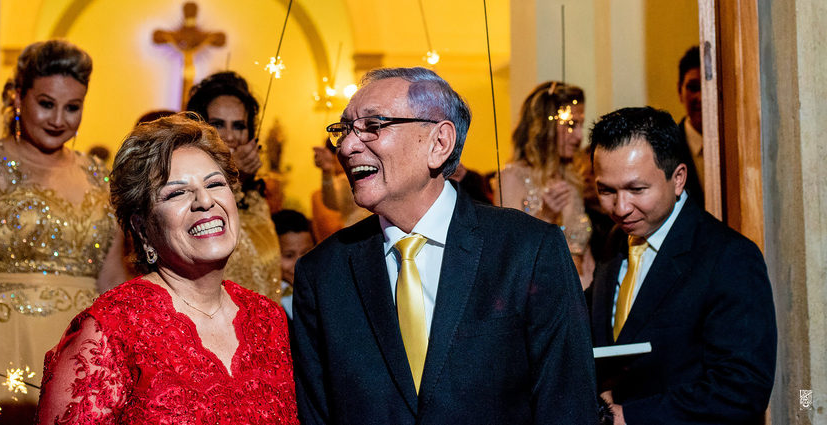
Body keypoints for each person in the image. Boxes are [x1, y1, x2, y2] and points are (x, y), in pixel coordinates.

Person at [292, 67, 599, 425]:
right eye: (343, 131)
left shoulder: (527, 250)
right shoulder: (323, 273)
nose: (347, 146)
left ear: (440, 143)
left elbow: (567, 406)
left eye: (373, 126)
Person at [34, 114, 298, 424]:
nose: (204, 200)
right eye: (176, 192)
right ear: (141, 226)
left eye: (215, 184)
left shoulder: (269, 319)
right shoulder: (109, 328)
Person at [0, 40, 126, 423]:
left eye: (73, 108)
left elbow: (112, 277)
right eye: (46, 103)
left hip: (80, 348)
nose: (59, 120)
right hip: (1, 340)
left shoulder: (100, 177)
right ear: (18, 97)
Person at [587, 107, 776, 424]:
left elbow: (743, 389)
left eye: (637, 189)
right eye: (606, 190)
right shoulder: (616, 242)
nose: (620, 208)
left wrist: (631, 416)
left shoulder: (729, 257)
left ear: (678, 179)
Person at [186, 71, 282, 301]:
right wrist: (231, 178)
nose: (229, 136)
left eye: (239, 125)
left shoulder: (256, 200)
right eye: (217, 124)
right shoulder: (184, 194)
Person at [494, 81, 595, 286]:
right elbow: (508, 257)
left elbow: (585, 253)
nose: (579, 136)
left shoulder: (573, 178)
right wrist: (546, 216)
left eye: (580, 125)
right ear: (544, 127)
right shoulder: (512, 177)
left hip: (585, 299)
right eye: (570, 125)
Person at [311, 139, 369, 241]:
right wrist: (327, 172)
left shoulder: (351, 176)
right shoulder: (343, 180)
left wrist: (327, 172)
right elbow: (332, 202)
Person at [271, 208, 316, 319]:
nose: (299, 264)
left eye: (306, 252)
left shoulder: (324, 288)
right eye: (289, 256)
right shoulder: (267, 297)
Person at [676, 46, 705, 207]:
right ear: (679, 91)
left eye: (707, 88)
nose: (700, 97)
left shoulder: (734, 145)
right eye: (693, 88)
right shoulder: (668, 148)